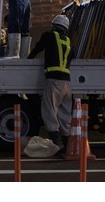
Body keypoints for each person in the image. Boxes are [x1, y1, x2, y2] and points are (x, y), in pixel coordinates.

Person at [27, 14, 73, 150]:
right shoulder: (69, 41)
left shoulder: (49, 36)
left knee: (49, 110)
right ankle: (68, 143)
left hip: (54, 81)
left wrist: (27, 60)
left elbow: (38, 48)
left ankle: (56, 142)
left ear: (53, 26)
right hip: (67, 82)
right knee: (65, 114)